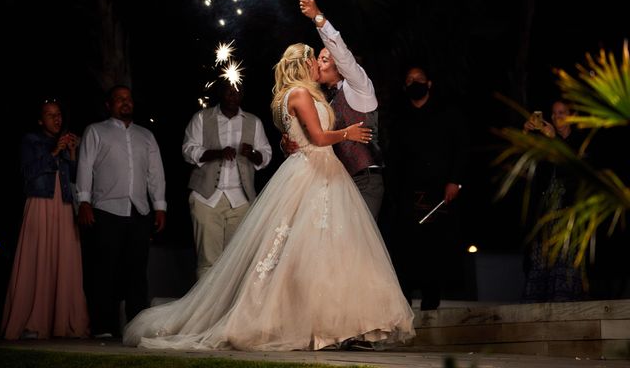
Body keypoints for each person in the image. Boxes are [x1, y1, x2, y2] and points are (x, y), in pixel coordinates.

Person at [123, 43, 415, 351]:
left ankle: (333, 325)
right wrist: (347, 134)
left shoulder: (298, 95)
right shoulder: (300, 95)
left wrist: (290, 144)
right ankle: (305, 323)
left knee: (329, 252)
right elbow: (315, 137)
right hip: (313, 172)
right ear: (303, 65)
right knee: (303, 250)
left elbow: (295, 137)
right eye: (314, 60)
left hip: (323, 171)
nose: (319, 64)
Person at [76, 85, 167, 338]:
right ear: (109, 105)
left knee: (137, 272)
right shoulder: (96, 131)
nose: (125, 103)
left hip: (138, 210)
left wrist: (159, 206)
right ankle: (103, 327)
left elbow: (155, 173)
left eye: (128, 99)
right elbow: (84, 166)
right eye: (119, 99)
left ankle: (135, 328)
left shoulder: (145, 135)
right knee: (104, 270)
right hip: (106, 209)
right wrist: (83, 201)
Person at [285, 0, 385, 220]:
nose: (317, 63)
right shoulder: (320, 101)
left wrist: (318, 17)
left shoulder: (359, 87)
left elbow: (342, 53)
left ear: (339, 67)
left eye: (324, 59)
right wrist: (292, 142)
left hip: (365, 180)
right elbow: (318, 139)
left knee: (358, 246)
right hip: (336, 181)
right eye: (318, 58)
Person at [2, 99, 89, 340]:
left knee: (65, 259)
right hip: (40, 203)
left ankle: (63, 321)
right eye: (50, 115)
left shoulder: (63, 141)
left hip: (63, 206)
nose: (56, 119)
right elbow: (28, 172)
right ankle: (33, 321)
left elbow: (73, 176)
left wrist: (71, 152)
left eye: (59, 114)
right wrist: (54, 151)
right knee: (38, 258)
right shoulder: (31, 140)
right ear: (41, 120)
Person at [388, 65, 467, 311]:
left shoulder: (447, 113)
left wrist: (454, 180)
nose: (414, 83)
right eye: (409, 80)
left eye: (419, 79)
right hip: (407, 191)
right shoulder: (400, 117)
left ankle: (431, 299)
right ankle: (405, 297)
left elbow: (460, 148)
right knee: (406, 245)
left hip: (438, 190)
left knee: (435, 244)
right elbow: (394, 156)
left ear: (429, 83)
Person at [182, 79, 272, 278]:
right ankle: (207, 308)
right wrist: (216, 153)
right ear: (221, 92)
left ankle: (229, 308)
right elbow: (188, 150)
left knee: (236, 260)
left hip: (241, 200)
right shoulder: (202, 118)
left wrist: (253, 154)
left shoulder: (253, 121)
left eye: (238, 92)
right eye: (229, 92)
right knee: (208, 261)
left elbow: (266, 155)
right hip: (206, 198)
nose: (234, 96)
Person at [521, 99, 586, 302]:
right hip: (545, 218)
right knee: (540, 267)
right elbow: (526, 167)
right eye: (554, 113)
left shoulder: (581, 141)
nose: (557, 117)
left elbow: (576, 168)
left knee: (564, 269)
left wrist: (554, 139)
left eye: (562, 112)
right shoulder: (546, 142)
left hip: (569, 216)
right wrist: (526, 133)